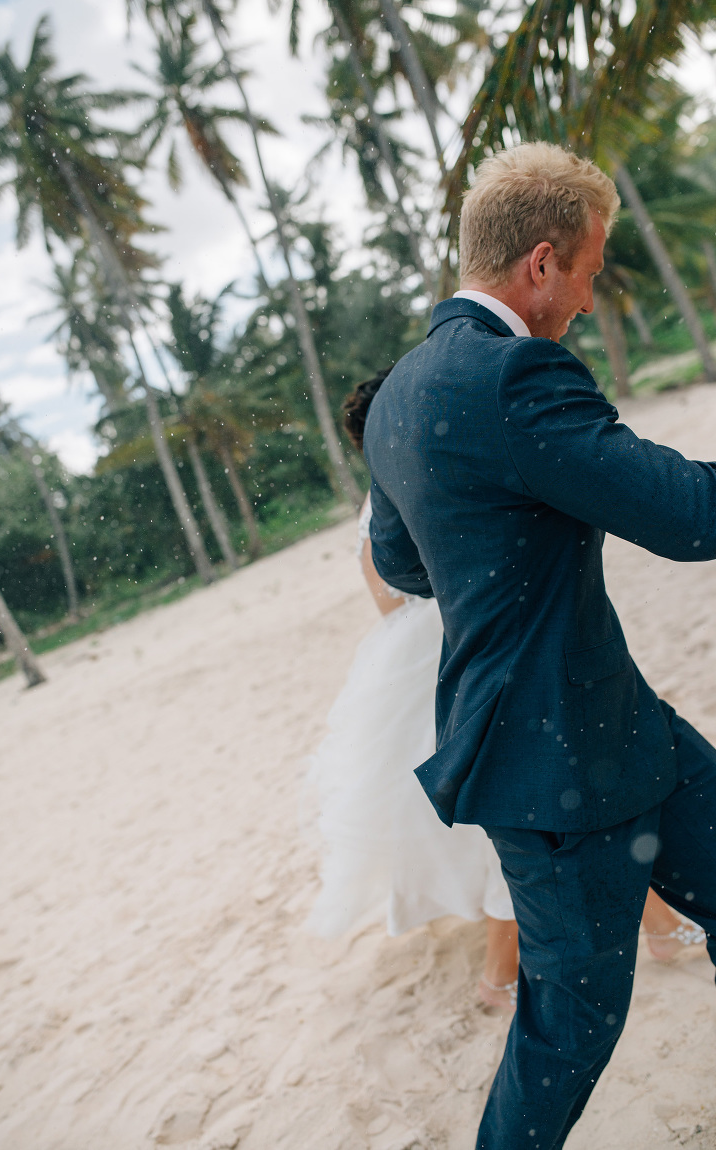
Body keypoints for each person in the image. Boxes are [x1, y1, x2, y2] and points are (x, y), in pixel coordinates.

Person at [363, 141, 716, 1150]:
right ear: (544, 261)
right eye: (594, 269)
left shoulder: (396, 397)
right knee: (567, 1029)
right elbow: (688, 517)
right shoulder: (516, 374)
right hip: (553, 776)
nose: (591, 294)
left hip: (614, 726)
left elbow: (406, 561)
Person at [307, 370, 519, 1011]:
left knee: (485, 812)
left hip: (410, 668)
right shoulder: (426, 479)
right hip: (456, 655)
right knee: (504, 812)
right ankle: (500, 971)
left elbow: (386, 607)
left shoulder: (374, 509)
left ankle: (506, 962)